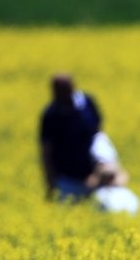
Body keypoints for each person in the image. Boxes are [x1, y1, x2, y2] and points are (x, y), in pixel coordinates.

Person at [38, 73, 111, 201]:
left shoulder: (87, 103)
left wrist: (100, 171)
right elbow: (46, 149)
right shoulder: (51, 115)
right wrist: (50, 181)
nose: (62, 94)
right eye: (59, 90)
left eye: (65, 89)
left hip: (95, 177)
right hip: (67, 179)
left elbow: (98, 133)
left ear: (72, 87)